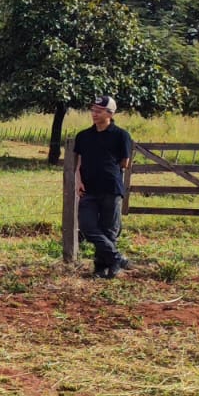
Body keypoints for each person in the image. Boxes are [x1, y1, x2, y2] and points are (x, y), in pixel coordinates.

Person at [75, 95, 134, 279]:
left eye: (99, 111)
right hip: (88, 190)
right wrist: (78, 180)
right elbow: (78, 163)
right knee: (87, 226)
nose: (94, 114)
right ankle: (118, 258)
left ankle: (103, 269)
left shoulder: (121, 135)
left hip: (111, 188)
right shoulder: (83, 136)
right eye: (93, 110)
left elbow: (125, 163)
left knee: (109, 230)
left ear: (110, 113)